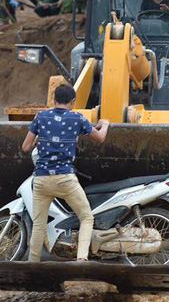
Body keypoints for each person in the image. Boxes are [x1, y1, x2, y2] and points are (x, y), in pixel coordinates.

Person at [21, 84, 110, 262]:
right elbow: (100, 138)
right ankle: (81, 259)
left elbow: (25, 147)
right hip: (65, 179)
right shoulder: (77, 118)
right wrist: (105, 124)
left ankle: (32, 264)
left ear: (54, 100)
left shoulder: (40, 116)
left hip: (41, 179)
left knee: (39, 225)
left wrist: (39, 139)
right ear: (73, 102)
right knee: (86, 217)